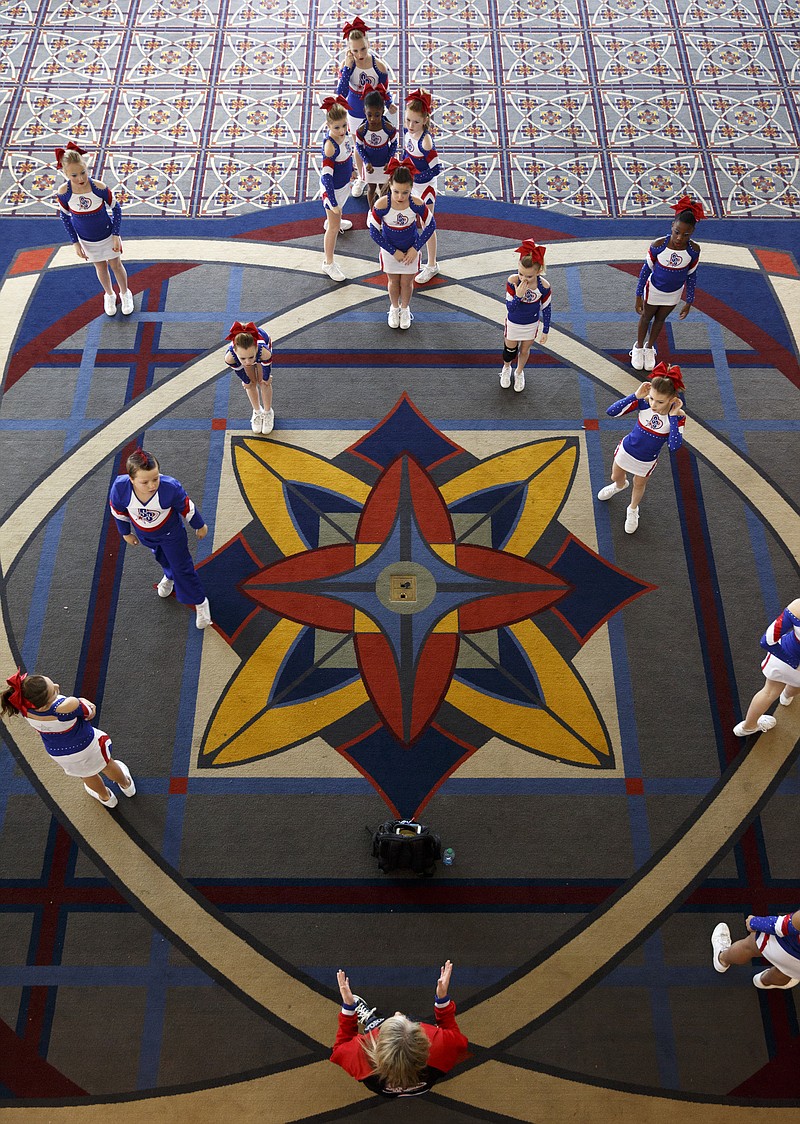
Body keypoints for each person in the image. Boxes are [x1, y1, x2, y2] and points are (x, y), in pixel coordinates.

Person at [331, 959, 468, 1097]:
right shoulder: (442, 1045)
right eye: (402, 1017)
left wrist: (349, 1009)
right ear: (424, 1042)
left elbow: (340, 1047)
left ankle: (373, 1021)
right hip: (424, 1084)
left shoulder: (359, 1055)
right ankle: (380, 1022)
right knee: (417, 1021)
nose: (397, 1013)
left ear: (378, 1044)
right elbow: (453, 1034)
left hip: (382, 1089)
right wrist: (442, 1000)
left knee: (374, 1025)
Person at [109, 447, 212, 629]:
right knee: (162, 558)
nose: (152, 485)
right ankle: (169, 576)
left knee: (183, 568)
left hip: (171, 536)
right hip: (146, 536)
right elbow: (118, 512)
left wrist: (199, 525)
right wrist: (125, 533)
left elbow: (188, 507)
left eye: (155, 479)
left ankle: (200, 602)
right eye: (145, 482)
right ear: (131, 479)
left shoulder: (170, 488)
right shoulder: (119, 488)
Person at [2, 670, 135, 810]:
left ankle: (106, 798)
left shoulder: (24, 709)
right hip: (87, 746)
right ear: (42, 704)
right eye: (53, 691)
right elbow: (90, 713)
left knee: (87, 774)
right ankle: (126, 785)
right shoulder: (65, 706)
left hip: (59, 753)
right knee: (107, 764)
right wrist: (83, 702)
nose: (56, 685)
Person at [596, 362, 686, 535]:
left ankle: (633, 509)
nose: (653, 405)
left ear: (673, 399)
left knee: (639, 484)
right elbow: (611, 412)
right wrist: (635, 396)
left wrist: (673, 417)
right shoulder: (643, 404)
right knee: (616, 476)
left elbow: (674, 446)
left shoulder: (678, 418)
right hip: (627, 450)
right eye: (652, 398)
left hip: (646, 460)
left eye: (660, 402)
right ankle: (619, 486)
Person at [55, 142, 134, 318]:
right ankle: (109, 294)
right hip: (86, 239)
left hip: (107, 235)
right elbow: (65, 217)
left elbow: (116, 209)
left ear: (87, 167)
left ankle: (125, 293)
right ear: (65, 174)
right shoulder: (64, 193)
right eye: (74, 175)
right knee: (100, 267)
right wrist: (75, 243)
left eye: (83, 172)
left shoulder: (99, 188)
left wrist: (115, 234)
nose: (80, 178)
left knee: (115, 264)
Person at [631, 195, 704, 371]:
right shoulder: (658, 245)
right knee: (647, 317)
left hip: (673, 293)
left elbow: (692, 276)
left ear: (692, 232)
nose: (679, 238)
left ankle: (649, 348)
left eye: (685, 234)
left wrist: (689, 301)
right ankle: (638, 347)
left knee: (660, 319)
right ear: (672, 226)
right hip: (654, 289)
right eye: (677, 232)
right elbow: (645, 271)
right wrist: (638, 295)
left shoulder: (693, 250)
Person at [367, 157, 436, 330]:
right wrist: (392, 251)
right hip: (391, 252)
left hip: (410, 251)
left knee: (406, 282)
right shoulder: (382, 204)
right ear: (390, 185)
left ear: (411, 188)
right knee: (392, 281)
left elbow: (431, 225)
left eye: (405, 192)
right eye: (396, 191)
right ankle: (394, 307)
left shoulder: (416, 203)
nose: (400, 196)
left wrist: (415, 248)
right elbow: (373, 231)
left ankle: (405, 309)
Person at [336, 16, 396, 196]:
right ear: (349, 49)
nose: (360, 54)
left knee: (379, 143)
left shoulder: (379, 67)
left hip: (375, 111)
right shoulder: (347, 65)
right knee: (359, 145)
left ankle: (381, 179)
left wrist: (389, 103)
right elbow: (340, 92)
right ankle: (363, 178)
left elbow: (384, 89)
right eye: (355, 50)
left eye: (363, 48)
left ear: (368, 43)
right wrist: (347, 68)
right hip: (355, 111)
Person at [733, 599, 800, 737]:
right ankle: (786, 697)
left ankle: (748, 727)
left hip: (782, 659)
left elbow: (767, 641)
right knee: (795, 686)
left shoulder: (797, 607)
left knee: (768, 692)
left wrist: (794, 663)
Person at [500, 239, 551, 392]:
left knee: (524, 350)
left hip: (530, 324)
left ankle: (519, 372)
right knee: (509, 351)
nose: (523, 279)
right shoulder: (512, 281)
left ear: (538, 271)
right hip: (514, 323)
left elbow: (547, 309)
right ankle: (506, 368)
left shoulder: (544, 286)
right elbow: (510, 308)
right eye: (521, 274)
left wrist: (546, 330)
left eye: (528, 276)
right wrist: (518, 296)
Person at [403, 89, 442, 285]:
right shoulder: (407, 133)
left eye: (416, 122)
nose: (411, 125)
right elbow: (406, 155)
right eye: (408, 120)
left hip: (425, 188)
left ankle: (432, 264)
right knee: (411, 219)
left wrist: (413, 174)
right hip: (412, 185)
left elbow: (436, 169)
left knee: (427, 224)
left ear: (425, 120)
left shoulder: (425, 142)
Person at [712, 911, 800, 990]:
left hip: (783, 945)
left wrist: (754, 922)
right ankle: (763, 981)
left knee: (748, 946)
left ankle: (722, 959)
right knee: (786, 972)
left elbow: (783, 926)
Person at [320, 95, 355, 283]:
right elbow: (326, 177)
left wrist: (353, 171)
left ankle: (334, 219)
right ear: (328, 126)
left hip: (343, 186)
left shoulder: (346, 137)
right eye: (336, 127)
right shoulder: (330, 147)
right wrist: (332, 203)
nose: (342, 131)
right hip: (332, 190)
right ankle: (328, 262)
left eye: (344, 125)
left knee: (336, 217)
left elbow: (348, 157)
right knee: (332, 227)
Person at [224, 320, 274, 435]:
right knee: (250, 383)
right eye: (243, 359)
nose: (247, 362)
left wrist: (266, 378)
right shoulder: (230, 357)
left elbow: (266, 370)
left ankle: (267, 412)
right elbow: (240, 372)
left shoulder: (264, 352)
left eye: (251, 357)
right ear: (235, 352)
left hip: (261, 353)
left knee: (263, 382)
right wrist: (246, 381)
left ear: (256, 348)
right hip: (248, 354)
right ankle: (257, 411)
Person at [355, 86, 398, 208]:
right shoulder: (361, 130)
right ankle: (371, 211)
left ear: (383, 111)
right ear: (364, 111)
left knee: (384, 188)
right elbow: (359, 146)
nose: (373, 119)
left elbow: (394, 144)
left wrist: (389, 160)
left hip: (384, 164)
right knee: (371, 188)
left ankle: (383, 209)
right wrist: (366, 161)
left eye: (377, 115)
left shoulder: (389, 128)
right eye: (369, 115)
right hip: (371, 165)